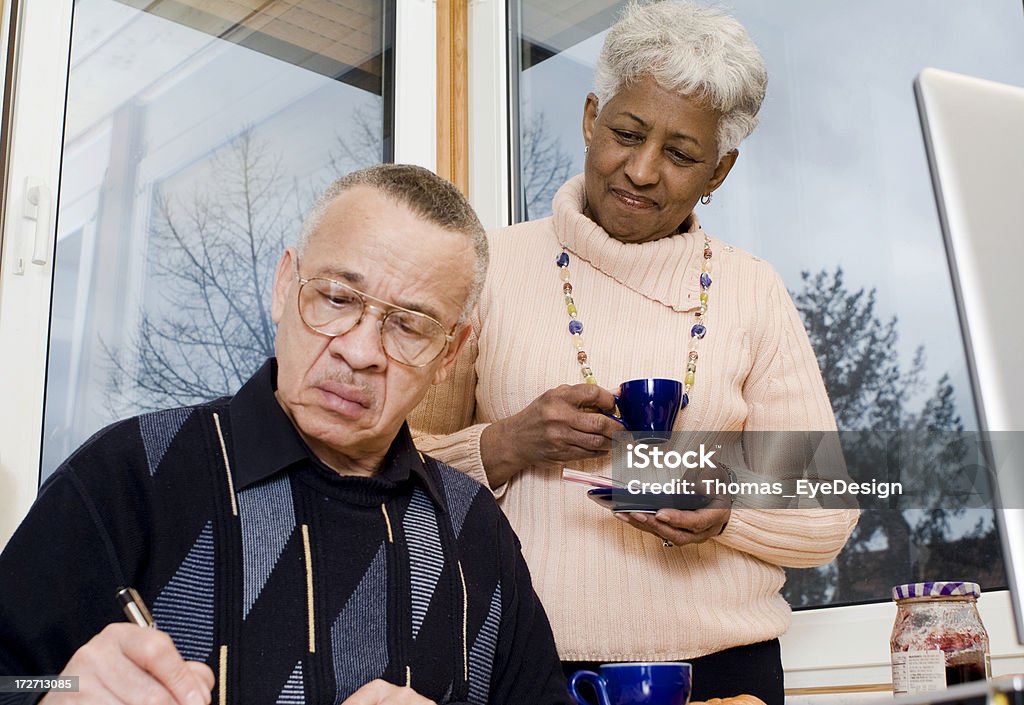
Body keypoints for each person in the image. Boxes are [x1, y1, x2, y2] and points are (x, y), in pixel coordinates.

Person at [410, 3, 859, 704]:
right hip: (520, 668)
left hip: (726, 674)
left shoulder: (752, 289)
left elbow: (828, 509)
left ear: (721, 170)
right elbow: (395, 470)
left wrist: (727, 503)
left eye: (682, 155)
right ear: (591, 117)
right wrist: (505, 442)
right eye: (626, 132)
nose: (643, 170)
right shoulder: (487, 268)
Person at [0, 165, 572, 705]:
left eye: (409, 326)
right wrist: (61, 691)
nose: (360, 350)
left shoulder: (476, 531)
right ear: (283, 286)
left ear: (449, 353)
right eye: (337, 298)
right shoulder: (134, 471)